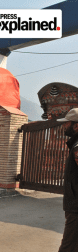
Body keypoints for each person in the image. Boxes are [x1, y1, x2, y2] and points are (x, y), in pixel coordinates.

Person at [57, 108, 78, 252]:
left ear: (76, 125)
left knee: (68, 247)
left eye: (67, 123)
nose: (64, 126)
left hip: (76, 208)